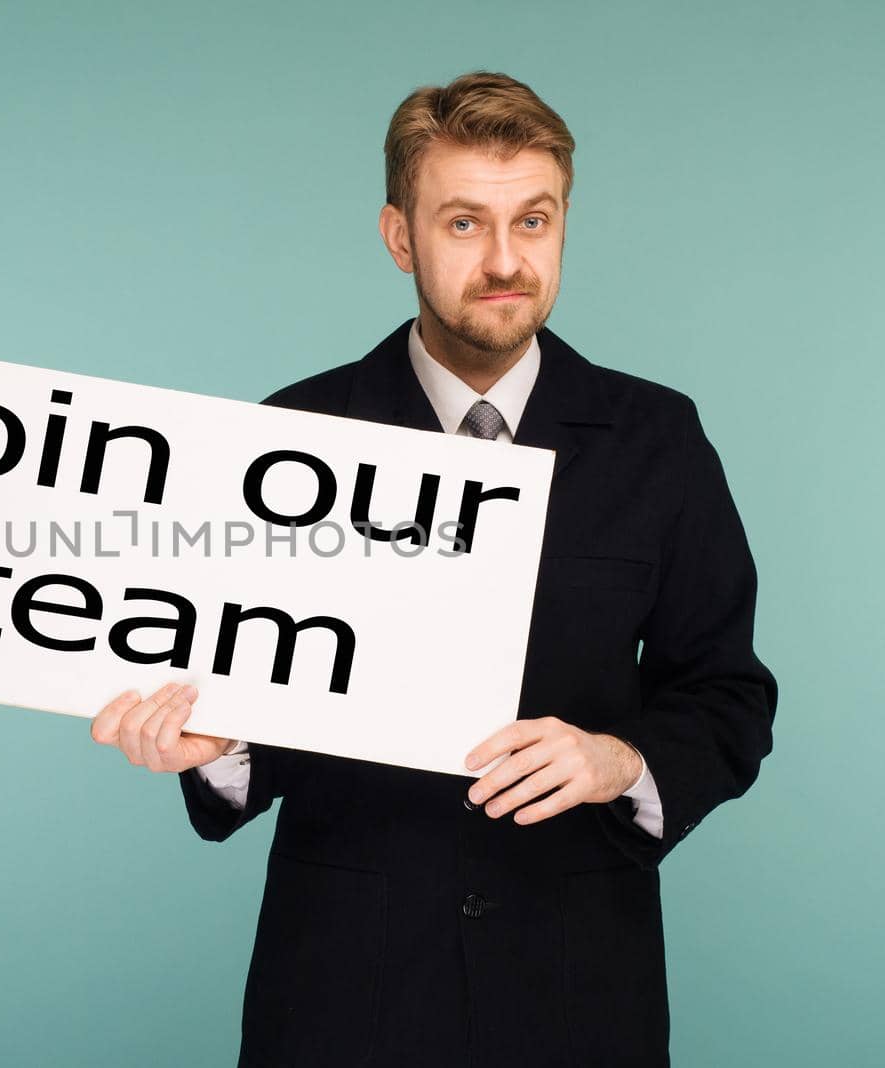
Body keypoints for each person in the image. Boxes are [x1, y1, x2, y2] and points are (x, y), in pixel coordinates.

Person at [90, 70, 776, 1067]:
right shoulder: (292, 433)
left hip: (579, 983)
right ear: (398, 237)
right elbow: (258, 694)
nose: (505, 260)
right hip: (341, 985)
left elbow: (726, 695)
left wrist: (615, 760)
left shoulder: (656, 440)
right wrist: (219, 747)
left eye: (532, 220)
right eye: (463, 224)